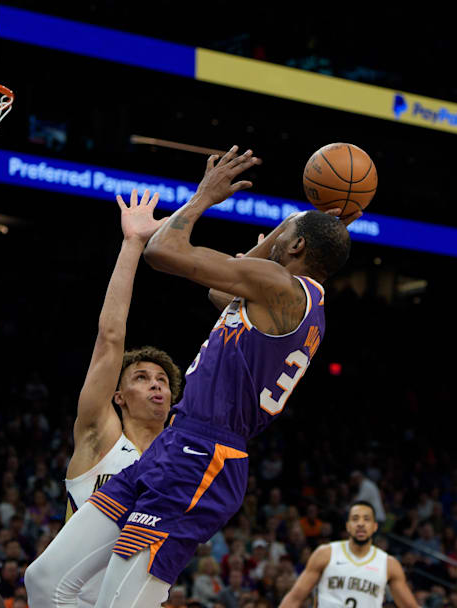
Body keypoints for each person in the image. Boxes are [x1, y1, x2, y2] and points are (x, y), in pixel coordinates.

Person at [88, 145, 358, 607]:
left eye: (282, 236)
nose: (272, 241)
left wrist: (204, 196)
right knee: (47, 578)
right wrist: (296, 228)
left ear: (293, 248)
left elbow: (162, 250)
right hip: (185, 442)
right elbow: (218, 292)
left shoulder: (279, 286)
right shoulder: (296, 303)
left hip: (203, 453)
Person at [24, 188, 183, 608]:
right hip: (66, 600)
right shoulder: (101, 434)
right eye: (142, 378)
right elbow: (110, 339)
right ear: (118, 396)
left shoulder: (180, 451)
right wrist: (133, 244)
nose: (156, 385)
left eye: (163, 380)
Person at [278, 501, 418, 608]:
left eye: (366, 519)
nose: (361, 524)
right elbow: (294, 598)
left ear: (375, 526)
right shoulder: (326, 553)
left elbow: (410, 606)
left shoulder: (388, 564)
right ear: (348, 526)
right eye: (355, 519)